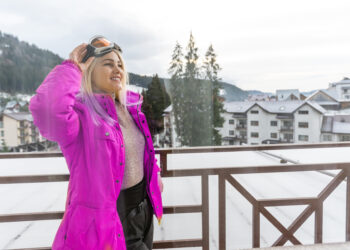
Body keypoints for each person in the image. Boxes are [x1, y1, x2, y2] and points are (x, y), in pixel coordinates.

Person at [29, 35, 164, 250]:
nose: (117, 69)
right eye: (108, 64)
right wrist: (73, 67)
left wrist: (154, 175)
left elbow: (143, 150)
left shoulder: (132, 108)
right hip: (110, 221)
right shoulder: (81, 113)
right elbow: (47, 111)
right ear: (90, 72)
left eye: (119, 64)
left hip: (143, 209)